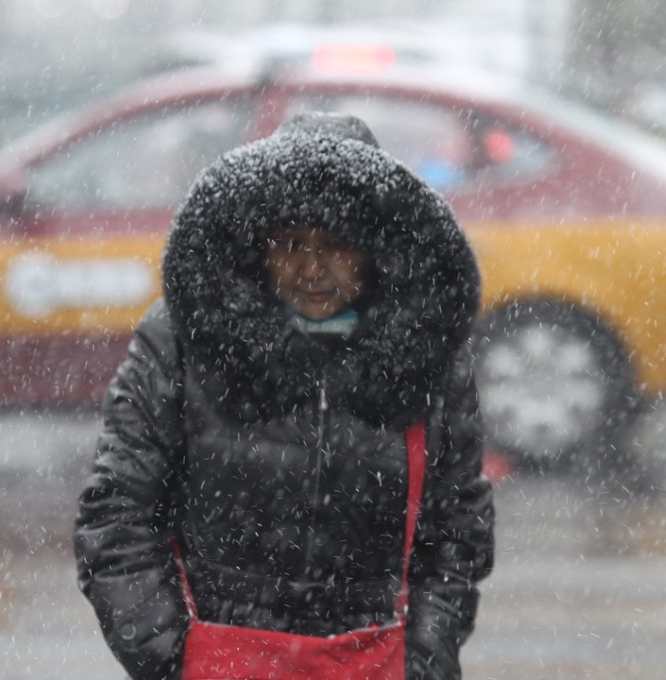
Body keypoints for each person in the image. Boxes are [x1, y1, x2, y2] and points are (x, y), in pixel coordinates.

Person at [74, 112, 495, 679]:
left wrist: (423, 660)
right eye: (292, 243)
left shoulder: (427, 354)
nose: (312, 269)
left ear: (374, 254)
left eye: (336, 246)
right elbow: (119, 512)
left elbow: (456, 531)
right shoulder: (183, 341)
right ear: (259, 248)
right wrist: (170, 656)